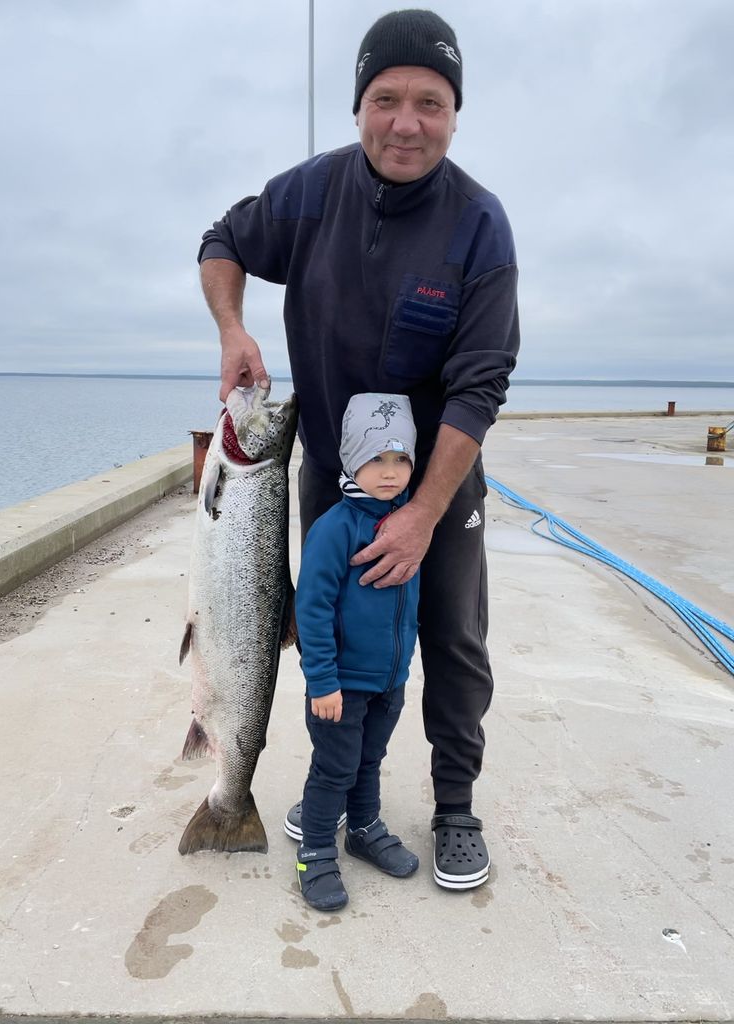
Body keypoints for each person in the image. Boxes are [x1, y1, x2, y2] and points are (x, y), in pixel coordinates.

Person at [198, 8, 520, 891]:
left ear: (455, 114)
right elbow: (223, 240)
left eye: (430, 102)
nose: (406, 122)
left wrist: (420, 515)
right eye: (386, 98)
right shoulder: (310, 194)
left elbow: (479, 385)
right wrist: (234, 328)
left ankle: (454, 806)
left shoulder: (479, 225)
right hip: (331, 482)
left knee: (451, 639)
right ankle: (334, 789)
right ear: (358, 106)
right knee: (323, 634)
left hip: (439, 480)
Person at [291, 392, 420, 911]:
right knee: (333, 769)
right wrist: (321, 681)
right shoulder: (333, 529)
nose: (388, 471)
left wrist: (403, 667)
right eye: (374, 458)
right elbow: (312, 609)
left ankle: (364, 829)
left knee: (370, 761)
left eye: (399, 458)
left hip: (389, 681)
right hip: (339, 687)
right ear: (350, 460)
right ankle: (315, 850)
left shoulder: (411, 525)